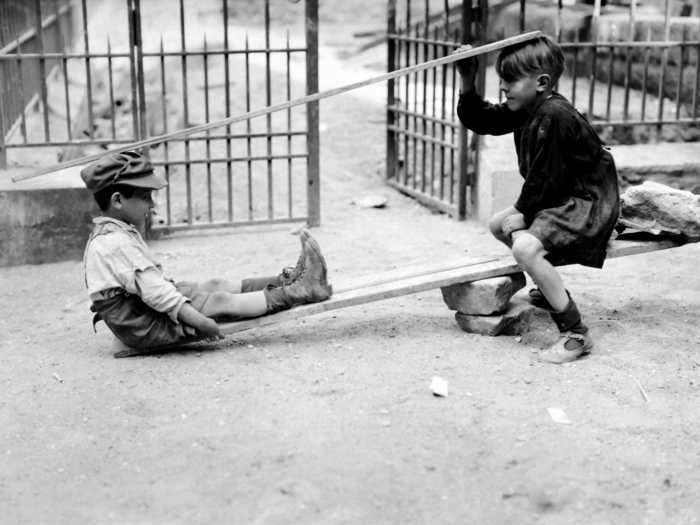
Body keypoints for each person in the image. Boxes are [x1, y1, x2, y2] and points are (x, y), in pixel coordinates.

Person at [454, 35, 620, 364]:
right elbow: (482, 120)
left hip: (586, 202)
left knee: (524, 247)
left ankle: (575, 333)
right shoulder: (527, 108)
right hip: (559, 194)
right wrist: (467, 78)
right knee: (498, 225)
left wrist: (523, 210)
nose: (503, 86)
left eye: (511, 79)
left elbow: (548, 176)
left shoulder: (556, 115)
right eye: (501, 78)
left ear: (542, 82)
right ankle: (549, 288)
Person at [81, 150, 332, 351]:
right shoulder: (115, 243)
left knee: (214, 284)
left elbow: (150, 288)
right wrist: (201, 323)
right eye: (145, 197)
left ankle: (287, 280)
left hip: (140, 309)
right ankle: (300, 291)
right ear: (117, 200)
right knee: (221, 301)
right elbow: (157, 294)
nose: (151, 204)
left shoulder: (113, 233)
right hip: (143, 324)